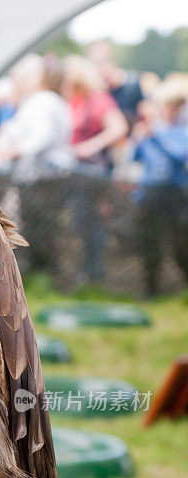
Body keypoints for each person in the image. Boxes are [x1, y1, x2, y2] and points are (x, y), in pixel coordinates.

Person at [0, 54, 74, 274]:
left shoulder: (44, 100)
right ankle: (41, 272)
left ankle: (42, 272)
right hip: (40, 176)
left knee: (40, 228)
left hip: (43, 177)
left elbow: (41, 136)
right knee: (38, 226)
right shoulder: (43, 100)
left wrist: (13, 151)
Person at [62, 56, 128, 282]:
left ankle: (94, 272)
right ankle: (85, 270)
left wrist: (91, 146)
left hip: (95, 174)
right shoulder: (73, 100)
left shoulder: (99, 100)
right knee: (80, 222)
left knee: (95, 223)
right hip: (75, 173)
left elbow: (119, 127)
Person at [131, 82, 188, 294]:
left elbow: (180, 155)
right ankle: (151, 289)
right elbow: (134, 157)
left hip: (176, 194)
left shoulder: (181, 131)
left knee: (181, 243)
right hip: (149, 193)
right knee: (149, 243)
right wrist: (138, 138)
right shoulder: (151, 130)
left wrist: (156, 135)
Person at [87, 40, 144, 128]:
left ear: (113, 63)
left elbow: (145, 114)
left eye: (101, 62)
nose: (99, 68)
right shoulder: (96, 91)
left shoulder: (132, 84)